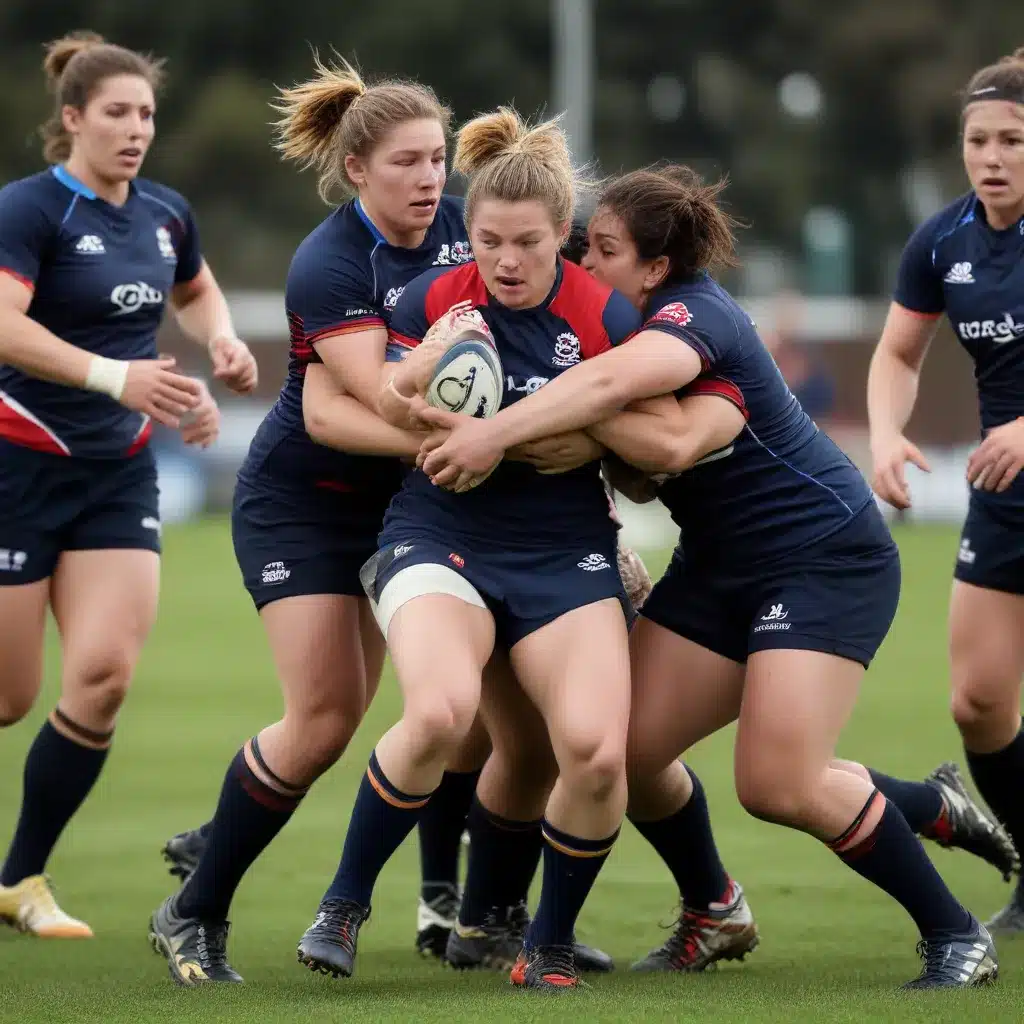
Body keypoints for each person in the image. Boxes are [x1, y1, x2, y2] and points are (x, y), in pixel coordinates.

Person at [419, 163, 1000, 990]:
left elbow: (659, 439)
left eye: (605, 250)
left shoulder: (693, 316)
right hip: (718, 568)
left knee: (778, 782)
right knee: (615, 749)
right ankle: (693, 911)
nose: (585, 263)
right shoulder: (604, 328)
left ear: (654, 269)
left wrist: (500, 425)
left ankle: (956, 934)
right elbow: (639, 468)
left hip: (821, 560)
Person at [291, 106, 705, 993]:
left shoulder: (608, 313)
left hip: (564, 552)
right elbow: (384, 402)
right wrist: (421, 365)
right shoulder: (433, 297)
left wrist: (579, 426)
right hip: (442, 535)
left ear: (564, 233)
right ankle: (343, 905)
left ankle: (546, 942)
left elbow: (663, 436)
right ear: (468, 234)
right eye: (487, 242)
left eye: (526, 242)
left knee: (594, 751)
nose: (506, 262)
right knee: (439, 713)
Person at [148, 56, 483, 985]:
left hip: (404, 505)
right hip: (304, 506)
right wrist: (468, 422)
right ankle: (194, 912)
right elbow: (359, 401)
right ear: (357, 171)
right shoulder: (331, 261)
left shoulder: (465, 231)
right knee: (327, 716)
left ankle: (475, 911)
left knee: (449, 709)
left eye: (439, 159)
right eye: (408, 163)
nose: (430, 180)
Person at [0, 31, 253, 939]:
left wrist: (219, 341)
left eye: (146, 113)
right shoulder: (30, 210)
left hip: (116, 474)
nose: (136, 128)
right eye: (116, 112)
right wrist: (118, 378)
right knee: (9, 698)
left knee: (102, 677)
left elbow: (194, 291)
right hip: (18, 465)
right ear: (72, 119)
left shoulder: (165, 212)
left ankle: (20, 878)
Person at [868, 46, 1024, 935]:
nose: (991, 156)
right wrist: (888, 434)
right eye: (978, 139)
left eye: (1012, 139)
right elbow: (896, 354)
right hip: (1005, 497)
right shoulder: (945, 240)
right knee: (978, 701)